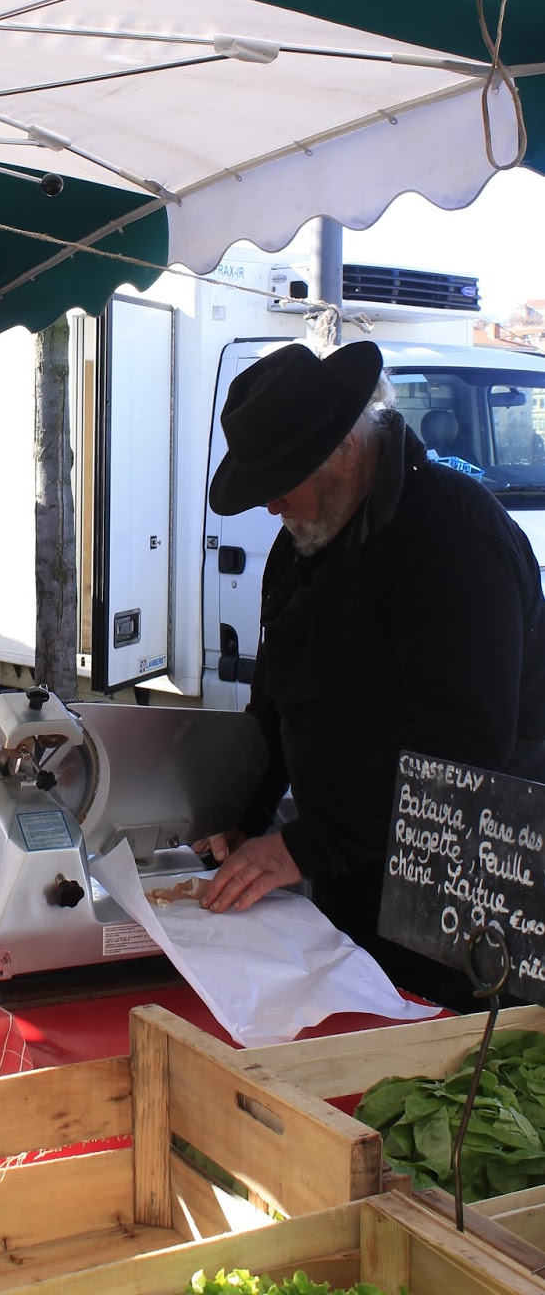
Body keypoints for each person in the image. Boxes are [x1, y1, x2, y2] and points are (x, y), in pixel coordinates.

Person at [200, 341, 545, 1010]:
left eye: (280, 480)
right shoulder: (299, 544)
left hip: (462, 890)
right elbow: (273, 706)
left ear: (345, 450)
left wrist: (300, 847)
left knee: (440, 1058)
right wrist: (245, 815)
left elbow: (461, 741)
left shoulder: (454, 535)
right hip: (351, 878)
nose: (270, 505)